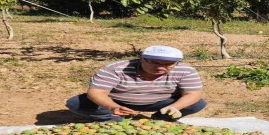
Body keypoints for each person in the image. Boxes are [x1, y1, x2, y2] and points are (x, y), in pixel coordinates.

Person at [66, 45, 207, 122]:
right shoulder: (116, 68)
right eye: (154, 62)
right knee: (76, 103)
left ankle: (162, 118)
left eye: (168, 64)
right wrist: (112, 106)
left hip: (160, 102)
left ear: (177, 63)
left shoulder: (185, 70)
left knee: (197, 103)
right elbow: (96, 92)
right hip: (118, 102)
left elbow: (192, 94)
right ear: (142, 59)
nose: (160, 67)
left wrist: (175, 107)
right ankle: (113, 119)